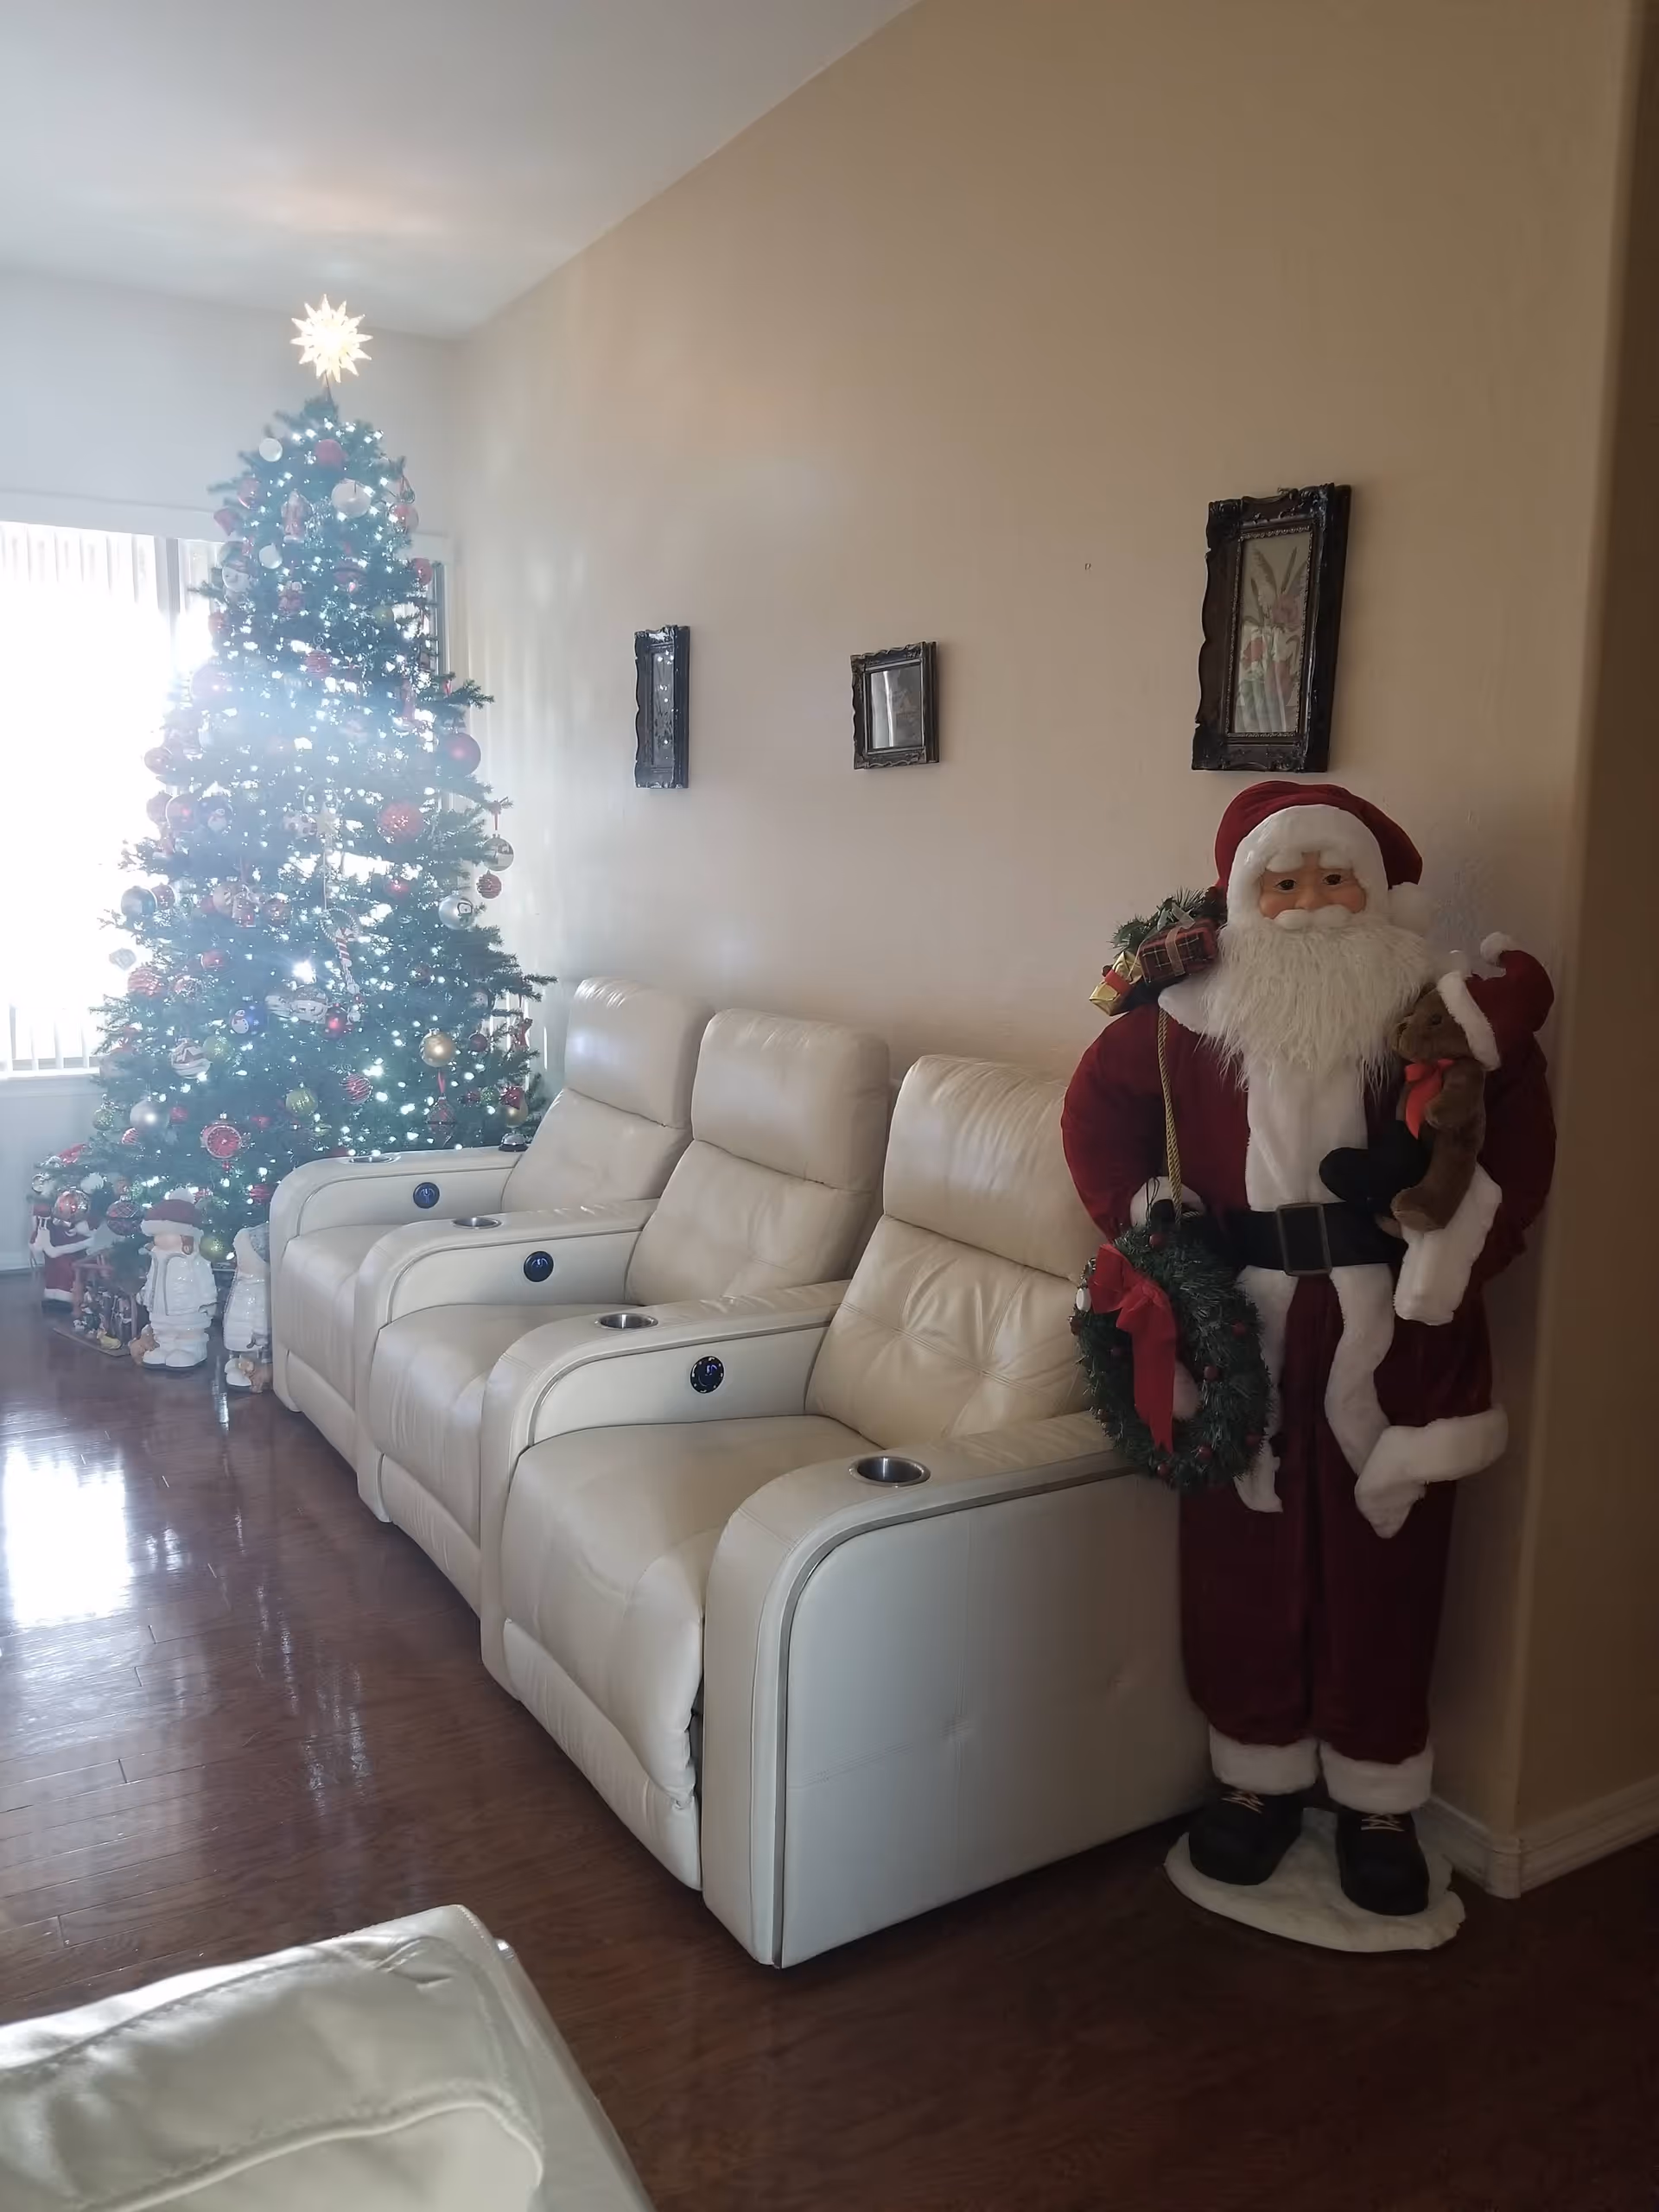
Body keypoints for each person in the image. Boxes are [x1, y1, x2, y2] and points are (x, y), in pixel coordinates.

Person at [1062, 783, 1555, 1914]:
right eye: (1283, 885)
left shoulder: (1435, 1008)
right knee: (1244, 1554)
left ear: (1374, 894)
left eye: (1336, 881)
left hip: (1396, 1326)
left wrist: (1462, 1256)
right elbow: (1094, 1118)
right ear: (1244, 896)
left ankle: (1381, 1796)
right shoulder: (1183, 1011)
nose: (1312, 906)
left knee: (1390, 1563)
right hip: (1240, 1316)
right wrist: (1150, 1221)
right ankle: (1255, 1781)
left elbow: (1515, 1139)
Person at [137, 1194, 219, 1371]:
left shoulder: (194, 1259)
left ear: (185, 1235)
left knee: (188, 1331)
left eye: (165, 1234)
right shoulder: (156, 1257)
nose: (159, 1240)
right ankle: (164, 1348)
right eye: (157, 1235)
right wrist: (145, 1293)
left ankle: (191, 1350)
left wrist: (209, 1300)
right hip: (160, 1308)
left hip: (188, 1306)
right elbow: (153, 1277)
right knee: (163, 1330)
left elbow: (204, 1280)